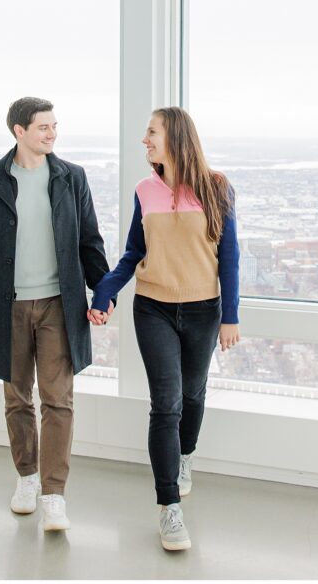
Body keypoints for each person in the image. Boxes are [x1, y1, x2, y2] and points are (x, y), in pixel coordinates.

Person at [0, 97, 113, 532]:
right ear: (18, 131)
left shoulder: (71, 177)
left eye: (54, 126)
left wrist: (102, 294)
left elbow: (89, 242)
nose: (52, 134)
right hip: (5, 306)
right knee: (17, 397)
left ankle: (54, 494)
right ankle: (26, 477)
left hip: (58, 305)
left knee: (58, 399)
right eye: (43, 127)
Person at [89, 106, 240, 552]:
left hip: (203, 311)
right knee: (166, 405)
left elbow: (229, 257)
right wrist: (105, 292)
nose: (145, 140)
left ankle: (184, 458)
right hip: (153, 309)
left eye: (151, 132)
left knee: (193, 394)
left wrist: (230, 315)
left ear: (173, 137)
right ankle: (168, 507)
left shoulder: (217, 187)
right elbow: (134, 253)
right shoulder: (144, 190)